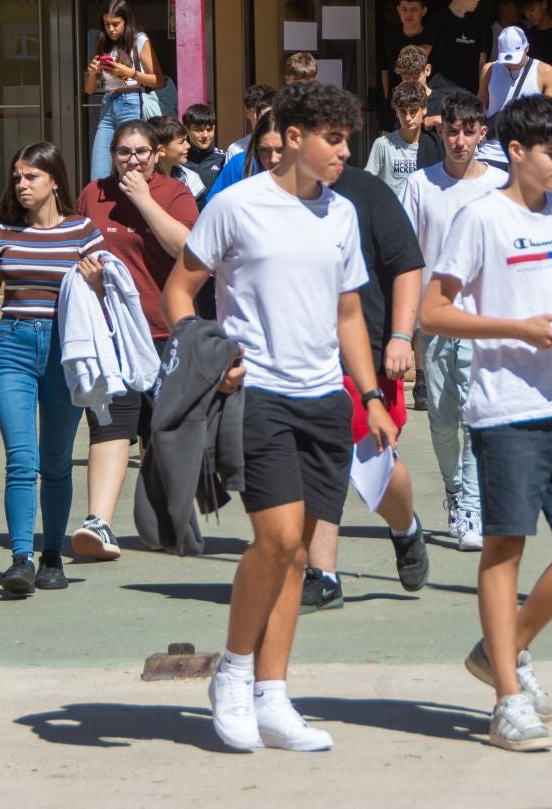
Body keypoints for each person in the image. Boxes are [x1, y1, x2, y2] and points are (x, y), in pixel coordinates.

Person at [161, 82, 396, 754]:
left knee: (300, 556)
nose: (345, 152)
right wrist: (211, 357)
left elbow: (350, 314)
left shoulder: (343, 215)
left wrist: (371, 396)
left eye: (348, 138)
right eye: (335, 139)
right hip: (257, 394)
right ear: (293, 137)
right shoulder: (235, 205)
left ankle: (274, 695)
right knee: (277, 539)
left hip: (327, 398)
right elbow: (180, 291)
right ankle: (232, 676)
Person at [420, 95, 552, 754]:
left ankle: (505, 648)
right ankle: (508, 700)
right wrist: (513, 328)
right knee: (504, 549)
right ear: (516, 152)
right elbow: (434, 312)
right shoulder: (480, 218)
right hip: (505, 408)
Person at [0, 143, 105, 596]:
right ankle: (21, 558)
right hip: (13, 348)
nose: (21, 185)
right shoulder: (2, 232)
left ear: (54, 181)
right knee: (21, 459)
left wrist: (97, 281)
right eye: (17, 177)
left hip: (65, 352)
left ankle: (52, 554)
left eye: (31, 177)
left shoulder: (83, 232)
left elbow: (101, 298)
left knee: (56, 462)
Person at [299, 164, 431, 612]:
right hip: (299, 357)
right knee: (318, 464)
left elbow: (407, 266)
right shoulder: (264, 198)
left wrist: (400, 335)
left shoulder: (368, 192)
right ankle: (324, 575)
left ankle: (405, 526)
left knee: (375, 469)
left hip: (365, 356)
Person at [74, 120, 197, 560]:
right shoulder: (94, 194)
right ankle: (98, 522)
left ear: (158, 153)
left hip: (166, 332)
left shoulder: (173, 194)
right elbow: (79, 248)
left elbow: (187, 247)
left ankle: (164, 518)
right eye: (124, 152)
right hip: (112, 335)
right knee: (111, 426)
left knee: (162, 434)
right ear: (112, 154)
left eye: (142, 151)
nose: (133, 160)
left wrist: (143, 200)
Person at [399, 91, 507, 550]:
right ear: (440, 131)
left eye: (468, 130)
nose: (459, 139)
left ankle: (471, 506)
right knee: (443, 421)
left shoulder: (502, 184)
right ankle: (453, 491)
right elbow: (404, 259)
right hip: (436, 323)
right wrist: (403, 329)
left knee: (474, 417)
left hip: (484, 322)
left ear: (482, 133)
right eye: (452, 130)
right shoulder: (420, 185)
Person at [84, 0, 162, 181]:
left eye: (115, 24)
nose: (111, 29)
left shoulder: (139, 40)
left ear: (126, 22)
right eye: (106, 24)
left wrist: (130, 73)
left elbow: (158, 80)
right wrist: (92, 73)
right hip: (108, 104)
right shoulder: (103, 41)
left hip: (131, 101)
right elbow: (89, 90)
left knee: (131, 167)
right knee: (99, 172)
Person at [476, 26, 552, 168]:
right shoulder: (489, 70)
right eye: (506, 58)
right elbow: (479, 107)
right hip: (490, 152)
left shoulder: (544, 71)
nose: (510, 63)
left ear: (527, 48)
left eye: (515, 58)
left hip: (527, 154)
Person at [424, 0, 488, 99]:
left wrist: (482, 94)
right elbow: (422, 54)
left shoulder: (477, 23)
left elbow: (482, 63)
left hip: (469, 98)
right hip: (439, 97)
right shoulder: (437, 19)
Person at [365, 81, 430, 198]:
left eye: (413, 111)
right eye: (403, 112)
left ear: (424, 109)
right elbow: (367, 183)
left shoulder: (432, 147)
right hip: (391, 213)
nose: (407, 117)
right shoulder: (382, 144)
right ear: (396, 112)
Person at [379, 0, 431, 104]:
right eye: (404, 9)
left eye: (414, 10)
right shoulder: (390, 36)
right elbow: (384, 68)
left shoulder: (430, 37)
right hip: (395, 101)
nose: (408, 14)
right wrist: (387, 97)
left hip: (422, 101)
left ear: (423, 11)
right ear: (398, 10)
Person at [148, 116, 208, 203]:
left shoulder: (191, 180)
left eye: (186, 140)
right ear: (160, 150)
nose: (188, 146)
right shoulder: (142, 182)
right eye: (181, 142)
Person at [181, 104, 227, 195]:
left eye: (209, 130)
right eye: (199, 130)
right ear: (186, 130)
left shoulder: (224, 159)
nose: (205, 135)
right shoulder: (178, 161)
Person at [519, 0, 552, 68]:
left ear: (544, 4)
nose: (528, 15)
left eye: (531, 9)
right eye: (524, 11)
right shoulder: (528, 36)